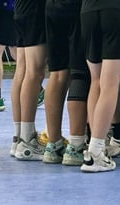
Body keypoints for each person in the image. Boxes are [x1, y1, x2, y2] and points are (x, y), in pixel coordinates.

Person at [79, 0, 120, 173]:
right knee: (110, 84)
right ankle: (96, 151)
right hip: (118, 11)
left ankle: (94, 146)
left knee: (96, 81)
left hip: (88, 12)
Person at [42, 0, 82, 164]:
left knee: (57, 74)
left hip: (52, 7)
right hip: (77, 8)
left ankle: (54, 143)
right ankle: (76, 146)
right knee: (80, 75)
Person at [11, 0, 47, 160]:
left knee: (23, 70)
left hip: (22, 9)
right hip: (34, 11)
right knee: (35, 72)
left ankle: (19, 138)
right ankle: (27, 140)